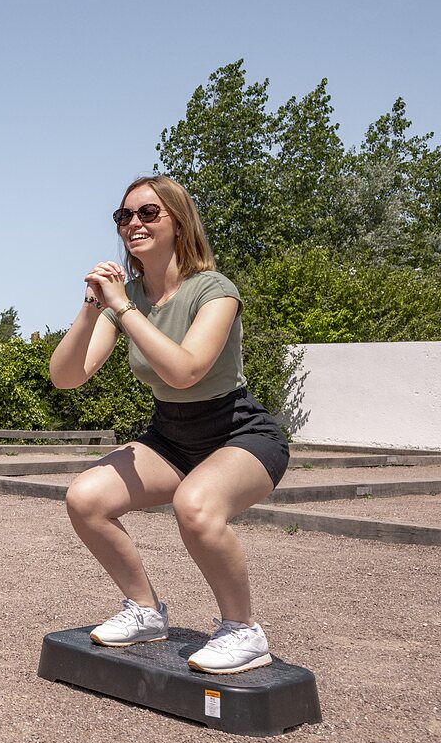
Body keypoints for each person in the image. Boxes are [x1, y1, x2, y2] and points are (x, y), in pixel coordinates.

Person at [49, 175, 289, 675]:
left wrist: (122, 307)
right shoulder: (127, 297)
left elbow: (185, 371)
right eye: (124, 215)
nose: (132, 223)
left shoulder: (214, 290)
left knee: (195, 507)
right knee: (85, 499)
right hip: (171, 436)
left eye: (147, 213)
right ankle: (145, 611)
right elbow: (66, 377)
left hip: (239, 431)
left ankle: (243, 630)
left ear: (178, 222)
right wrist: (92, 306)